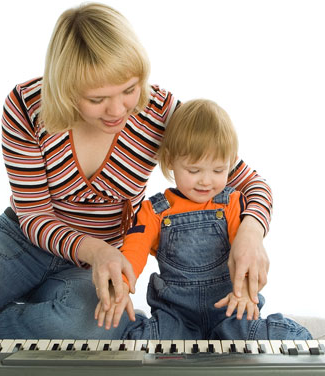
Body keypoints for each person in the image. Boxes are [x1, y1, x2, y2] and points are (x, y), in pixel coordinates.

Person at [0, 3, 272, 362]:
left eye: (129, 89)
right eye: (98, 98)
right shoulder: (27, 107)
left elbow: (252, 184)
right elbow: (35, 216)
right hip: (21, 243)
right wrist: (96, 250)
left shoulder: (161, 111)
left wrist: (251, 234)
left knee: (102, 328)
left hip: (95, 266)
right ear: (66, 88)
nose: (119, 109)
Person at [94, 99, 311, 341]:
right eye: (194, 171)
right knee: (138, 341)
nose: (206, 181)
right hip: (176, 315)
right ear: (170, 162)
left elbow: (246, 260)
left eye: (218, 170)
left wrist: (247, 293)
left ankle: (291, 329)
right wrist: (122, 284)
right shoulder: (153, 211)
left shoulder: (232, 204)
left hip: (230, 310)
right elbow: (133, 252)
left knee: (265, 336)